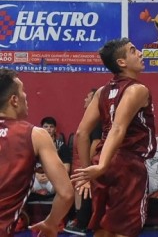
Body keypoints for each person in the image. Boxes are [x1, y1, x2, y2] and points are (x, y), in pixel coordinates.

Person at [71, 37, 157, 237]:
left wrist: (88, 172)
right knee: (125, 230)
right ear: (121, 62)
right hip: (127, 164)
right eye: (134, 50)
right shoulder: (137, 89)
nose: (140, 53)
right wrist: (100, 167)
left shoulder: (102, 91)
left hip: (102, 160)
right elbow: (118, 129)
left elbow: (81, 133)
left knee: (102, 227)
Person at [0, 68, 73, 237]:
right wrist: (51, 223)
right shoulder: (36, 135)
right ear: (14, 100)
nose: (26, 95)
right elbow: (66, 193)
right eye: (23, 91)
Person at [64, 88, 103, 236]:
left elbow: (96, 143)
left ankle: (82, 224)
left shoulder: (97, 121)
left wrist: (87, 166)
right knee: (83, 188)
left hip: (95, 165)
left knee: (85, 188)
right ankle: (80, 221)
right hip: (92, 165)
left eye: (88, 97)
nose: (84, 100)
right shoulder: (92, 120)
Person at [32, 116, 72, 196]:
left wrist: (50, 176)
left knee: (63, 188)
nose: (49, 129)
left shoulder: (62, 147)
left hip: (53, 180)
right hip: (37, 179)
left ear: (55, 129)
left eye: (51, 126)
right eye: (46, 126)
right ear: (42, 129)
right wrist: (36, 175)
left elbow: (66, 169)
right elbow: (26, 167)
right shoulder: (34, 146)